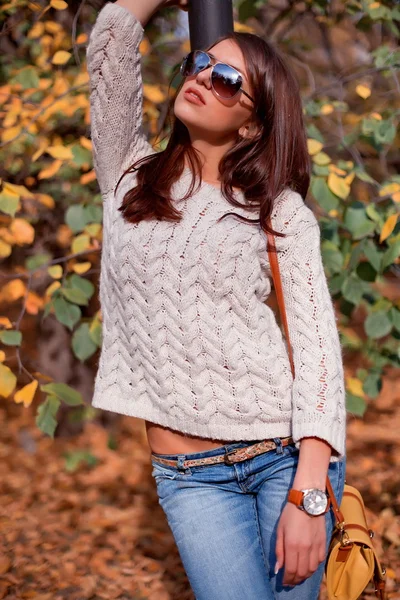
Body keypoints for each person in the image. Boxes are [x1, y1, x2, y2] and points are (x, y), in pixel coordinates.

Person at [86, 1, 347, 598]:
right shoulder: (127, 174)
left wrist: (310, 494)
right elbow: (112, 45)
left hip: (285, 458)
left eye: (227, 79)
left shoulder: (279, 212)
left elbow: (317, 355)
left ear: (252, 124)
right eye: (202, 63)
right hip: (188, 477)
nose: (203, 77)